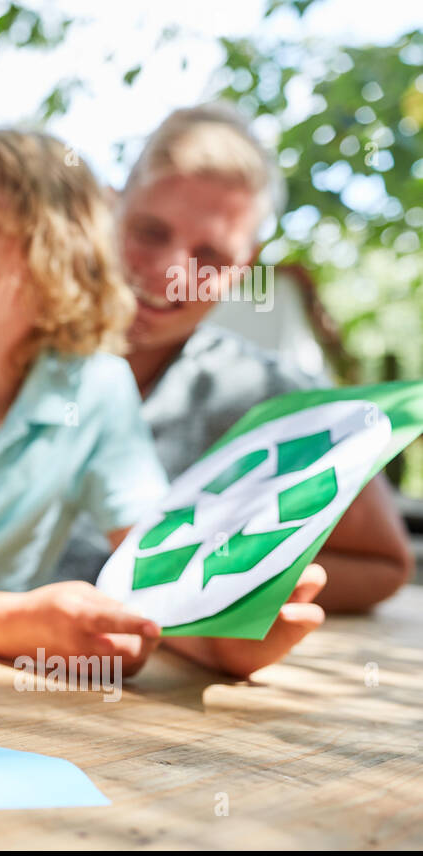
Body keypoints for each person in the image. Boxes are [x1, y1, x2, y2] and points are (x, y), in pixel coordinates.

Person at [0, 125, 327, 679]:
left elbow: (155, 565)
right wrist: (17, 622)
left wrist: (227, 629)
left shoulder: (97, 390)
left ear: (48, 249)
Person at [53, 104, 413, 624]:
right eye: (151, 232)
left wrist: (205, 581)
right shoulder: (7, 351)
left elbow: (382, 565)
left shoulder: (269, 394)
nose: (172, 272)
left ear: (246, 265)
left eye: (210, 257)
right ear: (110, 210)